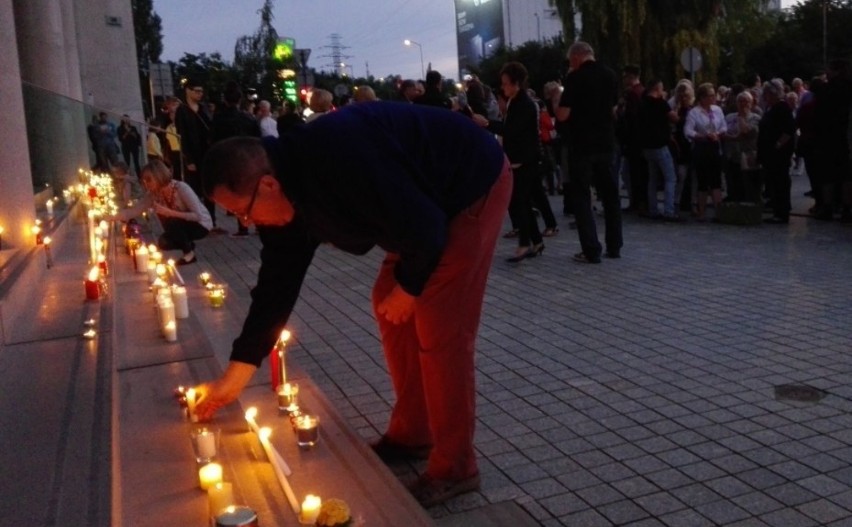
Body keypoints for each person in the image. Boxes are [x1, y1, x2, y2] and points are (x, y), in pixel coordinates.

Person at [194, 102, 511, 507]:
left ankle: (456, 466)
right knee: (387, 301)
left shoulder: (342, 157)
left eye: (243, 212)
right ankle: (414, 433)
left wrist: (411, 287)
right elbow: (275, 288)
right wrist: (234, 378)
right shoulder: (285, 201)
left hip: (469, 185)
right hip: (416, 207)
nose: (246, 223)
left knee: (439, 323)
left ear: (268, 185)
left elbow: (426, 227)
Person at [555, 41, 623, 264]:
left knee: (582, 197)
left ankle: (591, 249)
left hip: (582, 144)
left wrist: (558, 102)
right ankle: (614, 245)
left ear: (576, 57)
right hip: (606, 142)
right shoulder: (611, 75)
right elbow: (613, 109)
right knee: (611, 196)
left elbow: (563, 115)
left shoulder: (575, 78)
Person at [474, 62, 545, 262]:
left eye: (505, 83)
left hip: (524, 160)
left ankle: (524, 243)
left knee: (519, 202)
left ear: (516, 83)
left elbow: (512, 131)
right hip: (520, 159)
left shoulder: (523, 103)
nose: (503, 87)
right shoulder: (517, 101)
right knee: (522, 201)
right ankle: (536, 241)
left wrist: (487, 123)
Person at [114, 159, 211, 264]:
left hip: (201, 225)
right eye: (144, 181)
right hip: (181, 225)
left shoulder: (181, 188)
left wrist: (170, 212)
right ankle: (187, 242)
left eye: (149, 180)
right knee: (163, 243)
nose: (146, 184)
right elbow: (135, 210)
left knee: (171, 219)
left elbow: (198, 216)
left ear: (158, 176)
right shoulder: (154, 193)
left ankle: (189, 255)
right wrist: (111, 217)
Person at [212, 81, 262, 237]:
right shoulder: (249, 118)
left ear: (225, 100)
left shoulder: (218, 119)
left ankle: (243, 227)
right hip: (248, 159)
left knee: (238, 195)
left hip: (229, 160)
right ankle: (259, 225)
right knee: (252, 193)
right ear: (240, 100)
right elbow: (258, 139)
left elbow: (213, 141)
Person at [175, 78, 224, 233]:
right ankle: (197, 221)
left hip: (206, 153)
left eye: (201, 91)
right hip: (192, 155)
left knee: (208, 189)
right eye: (196, 91)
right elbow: (181, 136)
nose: (200, 94)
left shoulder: (204, 109)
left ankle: (211, 221)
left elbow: (211, 128)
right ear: (188, 91)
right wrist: (188, 159)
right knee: (194, 190)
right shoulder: (182, 111)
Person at [684, 83, 727, 221]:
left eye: (714, 95)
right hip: (701, 147)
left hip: (714, 145)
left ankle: (719, 212)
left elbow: (724, 126)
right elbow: (688, 130)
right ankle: (701, 211)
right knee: (702, 181)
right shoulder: (694, 112)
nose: (713, 98)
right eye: (710, 96)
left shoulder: (717, 110)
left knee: (716, 180)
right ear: (702, 98)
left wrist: (718, 133)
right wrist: (700, 136)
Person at [639, 79, 680, 220]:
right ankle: (669, 210)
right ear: (657, 89)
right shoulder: (661, 104)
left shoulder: (642, 103)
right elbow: (675, 118)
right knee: (670, 178)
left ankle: (653, 208)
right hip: (660, 145)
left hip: (646, 145)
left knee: (652, 179)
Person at [758, 80, 796, 224]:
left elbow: (788, 130)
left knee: (781, 182)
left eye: (767, 94)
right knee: (774, 182)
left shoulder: (782, 107)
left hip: (779, 154)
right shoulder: (771, 108)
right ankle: (777, 210)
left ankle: (782, 212)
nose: (765, 96)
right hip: (770, 153)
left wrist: (777, 145)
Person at [723, 91, 761, 203]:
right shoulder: (729, 117)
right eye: (740, 101)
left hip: (748, 156)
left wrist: (742, 117)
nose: (743, 104)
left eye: (746, 101)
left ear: (751, 103)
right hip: (732, 155)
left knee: (748, 185)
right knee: (733, 182)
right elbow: (722, 132)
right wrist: (733, 137)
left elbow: (745, 132)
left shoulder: (756, 118)